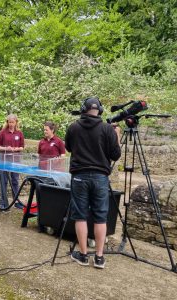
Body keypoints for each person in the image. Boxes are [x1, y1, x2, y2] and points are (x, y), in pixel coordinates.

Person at [65, 96, 121, 269]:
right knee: (100, 217)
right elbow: (115, 155)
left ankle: (82, 255)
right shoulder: (107, 129)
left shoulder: (74, 127)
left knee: (80, 216)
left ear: (83, 109)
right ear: (100, 111)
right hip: (100, 177)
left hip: (80, 176)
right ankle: (99, 257)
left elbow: (68, 148)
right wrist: (117, 137)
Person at [0, 114, 25, 199]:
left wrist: (16, 149)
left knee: (15, 180)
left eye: (13, 122)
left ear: (16, 122)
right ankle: (3, 201)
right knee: (4, 180)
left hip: (16, 160)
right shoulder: (2, 132)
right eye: (9, 122)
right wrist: (6, 148)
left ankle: (16, 200)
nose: (11, 124)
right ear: (7, 122)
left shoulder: (19, 133)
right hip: (4, 160)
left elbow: (22, 147)